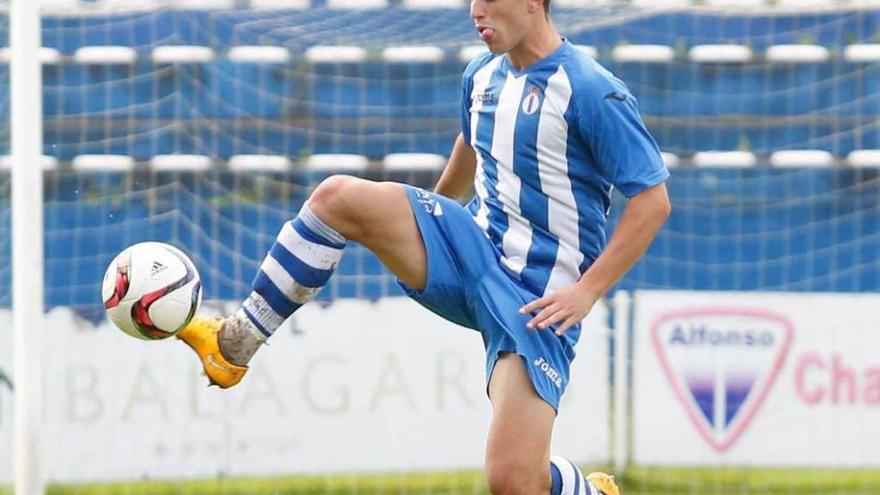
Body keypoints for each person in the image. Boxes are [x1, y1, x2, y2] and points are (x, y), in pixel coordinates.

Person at [178, 0, 670, 493]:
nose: (476, 11)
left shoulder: (591, 90)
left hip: (535, 302)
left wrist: (586, 292)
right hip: (470, 248)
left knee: (514, 482)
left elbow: (652, 202)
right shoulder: (481, 74)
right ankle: (235, 343)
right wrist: (428, 220)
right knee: (336, 199)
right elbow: (473, 139)